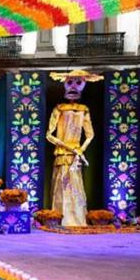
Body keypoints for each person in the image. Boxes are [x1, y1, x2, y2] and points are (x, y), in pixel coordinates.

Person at [46, 69, 102, 227]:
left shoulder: (84, 110)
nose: (73, 87)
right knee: (61, 186)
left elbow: (90, 135)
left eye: (79, 83)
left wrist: (80, 150)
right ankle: (59, 217)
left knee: (75, 186)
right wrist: (69, 148)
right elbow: (49, 134)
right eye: (70, 82)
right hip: (64, 153)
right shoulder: (59, 108)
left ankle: (77, 218)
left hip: (76, 155)